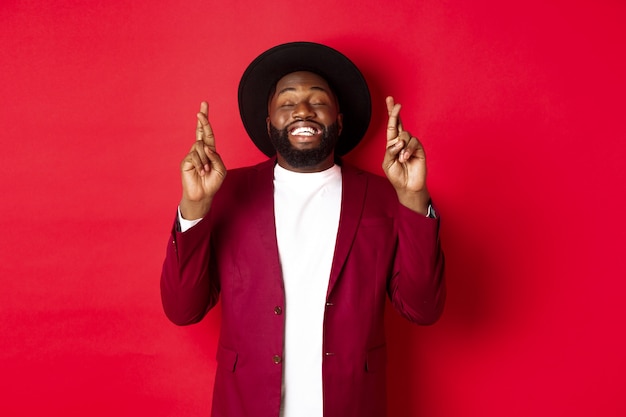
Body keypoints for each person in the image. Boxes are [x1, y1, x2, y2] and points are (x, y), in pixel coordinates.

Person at [160, 42, 445, 417]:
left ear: (339, 121)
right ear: (269, 124)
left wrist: (412, 196)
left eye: (318, 100)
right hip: (246, 406)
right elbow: (183, 309)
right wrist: (195, 205)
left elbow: (422, 309)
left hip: (353, 404)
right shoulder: (226, 191)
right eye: (287, 101)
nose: (303, 110)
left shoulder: (384, 196)